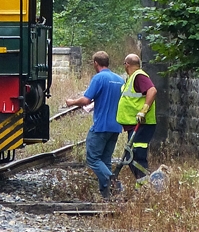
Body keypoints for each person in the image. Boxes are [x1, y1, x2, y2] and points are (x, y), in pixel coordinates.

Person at [65, 51, 124, 199]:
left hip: (101, 126)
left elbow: (86, 100)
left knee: (93, 159)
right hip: (116, 127)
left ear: (96, 63)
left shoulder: (99, 78)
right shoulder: (120, 80)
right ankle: (107, 195)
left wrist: (72, 102)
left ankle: (113, 182)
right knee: (105, 160)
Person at [116, 53, 157, 185]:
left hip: (142, 124)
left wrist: (144, 110)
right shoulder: (131, 78)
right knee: (131, 157)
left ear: (127, 64)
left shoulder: (139, 76)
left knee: (136, 156)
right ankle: (143, 184)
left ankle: (146, 184)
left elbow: (152, 91)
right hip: (134, 124)